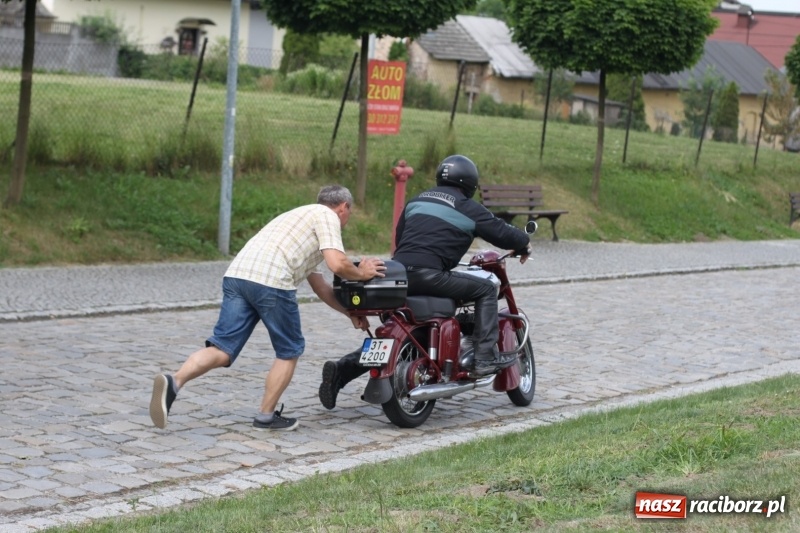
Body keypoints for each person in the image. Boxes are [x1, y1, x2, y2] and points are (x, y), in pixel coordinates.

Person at [150, 185, 385, 431]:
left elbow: (321, 287)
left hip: (238, 276)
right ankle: (265, 416)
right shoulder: (326, 216)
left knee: (222, 348)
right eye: (349, 213)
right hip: (271, 281)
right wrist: (362, 273)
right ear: (343, 207)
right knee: (289, 350)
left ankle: (174, 381)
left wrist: (350, 313)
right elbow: (337, 264)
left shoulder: (297, 220)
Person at [318, 155, 531, 410]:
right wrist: (524, 243)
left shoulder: (417, 200)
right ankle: (484, 358)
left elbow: (400, 237)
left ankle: (342, 371)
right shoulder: (466, 206)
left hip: (398, 274)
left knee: (403, 326)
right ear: (469, 182)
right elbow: (501, 231)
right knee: (485, 288)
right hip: (431, 275)